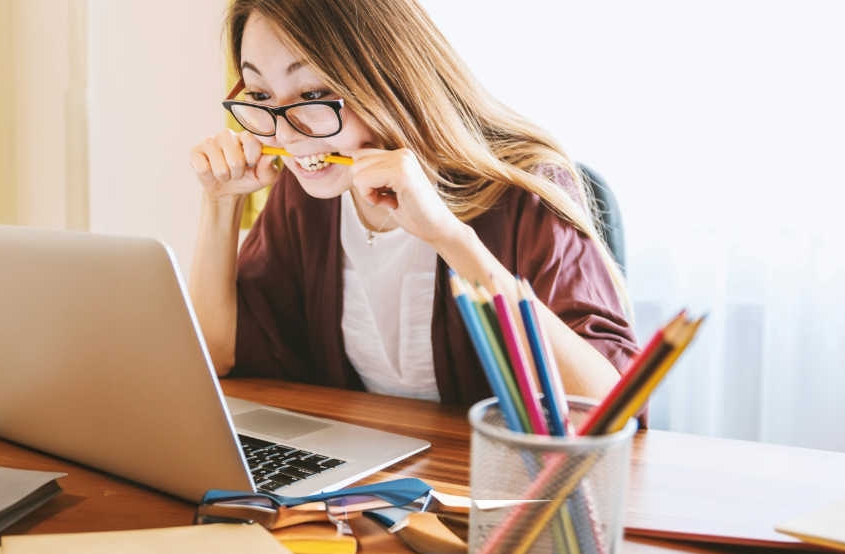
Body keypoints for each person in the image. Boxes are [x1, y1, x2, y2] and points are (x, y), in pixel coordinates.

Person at [188, 0, 638, 407]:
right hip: (366, 483)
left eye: (313, 95)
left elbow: (608, 406)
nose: (285, 135)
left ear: (387, 78)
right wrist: (220, 203)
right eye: (261, 96)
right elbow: (218, 353)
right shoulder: (308, 193)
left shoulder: (526, 189)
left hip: (492, 487)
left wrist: (448, 236)